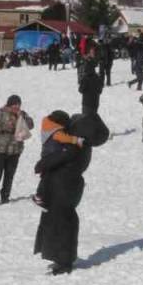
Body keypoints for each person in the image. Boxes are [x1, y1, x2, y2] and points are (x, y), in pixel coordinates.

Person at [32, 110, 97, 274]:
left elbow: (58, 159)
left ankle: (64, 261)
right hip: (65, 186)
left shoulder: (74, 146)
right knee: (57, 222)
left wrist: (42, 164)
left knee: (61, 223)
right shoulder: (79, 144)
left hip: (64, 186)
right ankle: (59, 258)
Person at [0, 95, 34, 206]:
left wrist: (22, 117)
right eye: (15, 104)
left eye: (18, 104)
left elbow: (31, 125)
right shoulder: (0, 112)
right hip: (0, 149)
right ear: (9, 104)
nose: (17, 106)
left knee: (9, 175)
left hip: (15, 150)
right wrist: (3, 126)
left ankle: (5, 197)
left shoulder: (22, 114)